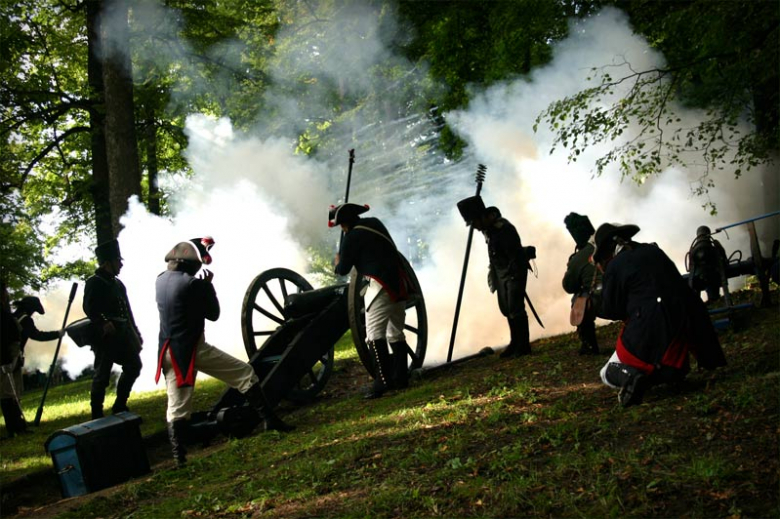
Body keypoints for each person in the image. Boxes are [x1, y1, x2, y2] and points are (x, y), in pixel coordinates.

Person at [155, 237, 292, 467]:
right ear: (192, 263)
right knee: (245, 373)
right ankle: (270, 420)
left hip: (168, 350)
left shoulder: (160, 280)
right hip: (191, 350)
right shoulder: (193, 284)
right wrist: (209, 287)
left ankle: (180, 459)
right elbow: (214, 314)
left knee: (177, 407)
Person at [592, 223, 727, 407]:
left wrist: (597, 299)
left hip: (650, 331)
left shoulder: (615, 265)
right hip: (681, 333)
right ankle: (653, 376)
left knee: (606, 372)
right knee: (667, 368)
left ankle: (631, 378)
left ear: (607, 252)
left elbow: (611, 310)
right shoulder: (653, 251)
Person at [330, 203, 411, 398]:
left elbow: (343, 270)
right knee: (395, 331)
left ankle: (383, 381)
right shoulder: (375, 223)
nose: (341, 228)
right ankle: (401, 378)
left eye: (341, 225)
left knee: (374, 334)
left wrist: (338, 261)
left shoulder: (351, 237)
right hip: (398, 282)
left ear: (345, 224)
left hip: (378, 285)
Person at [457, 196, 531, 358]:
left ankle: (523, 345)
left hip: (513, 271)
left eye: (474, 222)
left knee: (515, 308)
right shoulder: (488, 230)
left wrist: (513, 276)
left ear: (483, 217)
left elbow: (515, 256)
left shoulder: (503, 228)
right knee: (506, 308)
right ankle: (515, 342)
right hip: (500, 273)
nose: (474, 227)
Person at [83, 239, 143, 419]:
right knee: (102, 376)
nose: (121, 264)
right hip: (105, 337)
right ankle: (97, 414)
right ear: (108, 262)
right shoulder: (94, 282)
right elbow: (90, 308)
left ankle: (120, 405)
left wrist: (135, 332)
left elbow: (127, 311)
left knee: (134, 366)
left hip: (123, 336)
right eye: (118, 260)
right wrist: (103, 322)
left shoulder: (118, 284)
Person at [562, 212, 601, 355]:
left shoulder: (579, 258)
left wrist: (571, 266)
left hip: (605, 300)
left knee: (579, 297)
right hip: (628, 292)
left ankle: (589, 344)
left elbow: (569, 286)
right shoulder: (611, 242)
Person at [1, 281, 26, 438]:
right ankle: (15, 427)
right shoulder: (4, 316)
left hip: (4, 358)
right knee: (7, 395)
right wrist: (12, 359)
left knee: (8, 395)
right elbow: (13, 339)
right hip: (3, 359)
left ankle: (16, 426)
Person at [686, 225, 729, 304]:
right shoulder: (713, 244)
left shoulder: (693, 249)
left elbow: (690, 266)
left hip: (700, 276)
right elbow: (723, 257)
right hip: (712, 274)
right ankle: (714, 300)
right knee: (712, 289)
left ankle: (700, 304)